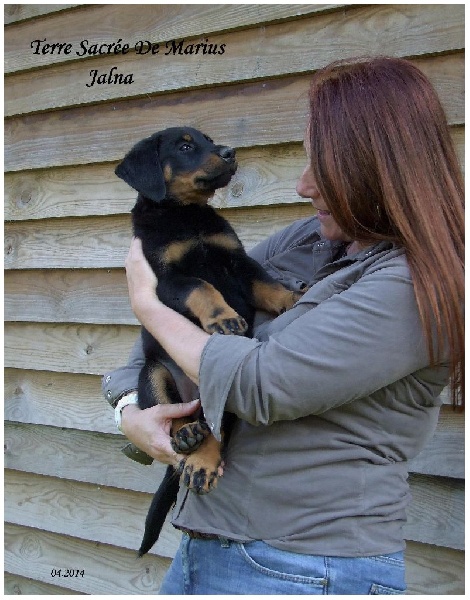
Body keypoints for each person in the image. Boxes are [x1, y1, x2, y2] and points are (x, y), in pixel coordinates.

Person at [103, 56, 464, 595]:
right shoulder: (306, 241)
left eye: (325, 168)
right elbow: (155, 352)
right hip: (207, 544)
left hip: (308, 566)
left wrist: (148, 303)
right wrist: (130, 413)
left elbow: (263, 386)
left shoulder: (414, 282)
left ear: (379, 168)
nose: (302, 186)